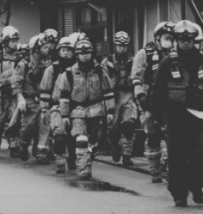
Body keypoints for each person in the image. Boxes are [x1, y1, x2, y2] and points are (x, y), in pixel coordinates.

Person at [150, 20, 203, 207]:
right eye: (181, 39)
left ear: (195, 40)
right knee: (177, 156)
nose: (185, 42)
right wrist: (155, 116)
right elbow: (157, 90)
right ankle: (179, 193)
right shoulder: (168, 62)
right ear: (176, 40)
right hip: (176, 115)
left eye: (189, 39)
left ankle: (196, 185)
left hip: (201, 115)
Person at [55, 37, 115, 180]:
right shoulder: (69, 73)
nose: (85, 55)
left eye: (87, 52)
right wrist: (64, 115)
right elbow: (63, 96)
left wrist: (110, 111)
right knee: (81, 138)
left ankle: (89, 156)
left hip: (96, 110)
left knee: (93, 142)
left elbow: (108, 92)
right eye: (81, 53)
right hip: (77, 111)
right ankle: (83, 168)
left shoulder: (100, 71)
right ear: (77, 55)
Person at [132, 21, 174, 183]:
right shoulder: (145, 54)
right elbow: (136, 77)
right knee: (153, 135)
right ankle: (155, 171)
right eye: (167, 37)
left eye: (173, 38)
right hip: (151, 100)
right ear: (157, 38)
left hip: (172, 100)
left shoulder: (177, 54)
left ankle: (172, 169)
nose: (170, 41)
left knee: (172, 135)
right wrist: (141, 97)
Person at [14, 31, 57, 164]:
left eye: (48, 47)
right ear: (37, 48)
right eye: (44, 47)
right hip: (30, 100)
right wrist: (20, 98)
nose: (47, 49)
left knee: (45, 126)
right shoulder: (24, 63)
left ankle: (41, 154)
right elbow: (16, 82)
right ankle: (23, 145)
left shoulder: (51, 64)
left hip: (45, 100)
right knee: (28, 127)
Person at [102, 31, 139, 167]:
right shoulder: (107, 62)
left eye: (124, 45)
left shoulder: (133, 61)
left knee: (128, 126)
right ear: (115, 45)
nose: (122, 48)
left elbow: (138, 76)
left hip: (129, 94)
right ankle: (115, 146)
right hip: (112, 96)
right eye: (119, 45)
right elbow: (103, 82)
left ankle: (127, 154)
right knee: (112, 129)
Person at [42, 35, 77, 173]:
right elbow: (45, 89)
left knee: (74, 135)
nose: (67, 53)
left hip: (74, 106)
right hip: (56, 106)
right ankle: (60, 160)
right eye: (64, 50)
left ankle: (73, 158)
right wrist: (44, 109)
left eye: (69, 50)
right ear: (58, 51)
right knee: (60, 134)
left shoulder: (77, 68)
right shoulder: (52, 69)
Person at [0, 26, 22, 158]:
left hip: (13, 94)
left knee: (15, 120)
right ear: (5, 42)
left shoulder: (20, 57)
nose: (15, 43)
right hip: (0, 95)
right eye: (12, 41)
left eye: (16, 40)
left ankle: (14, 146)